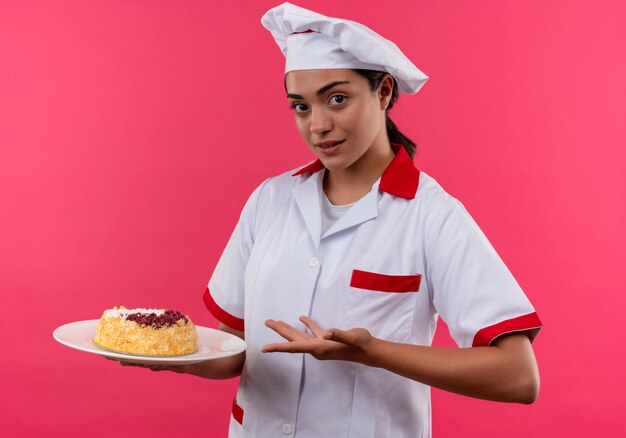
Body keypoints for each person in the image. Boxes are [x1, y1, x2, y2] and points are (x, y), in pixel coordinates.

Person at [120, 3, 542, 437]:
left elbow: (517, 376)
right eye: (300, 106)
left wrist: (372, 352)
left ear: (383, 93)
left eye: (336, 99)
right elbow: (235, 347)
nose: (318, 125)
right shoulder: (271, 200)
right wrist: (168, 357)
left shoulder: (431, 215)